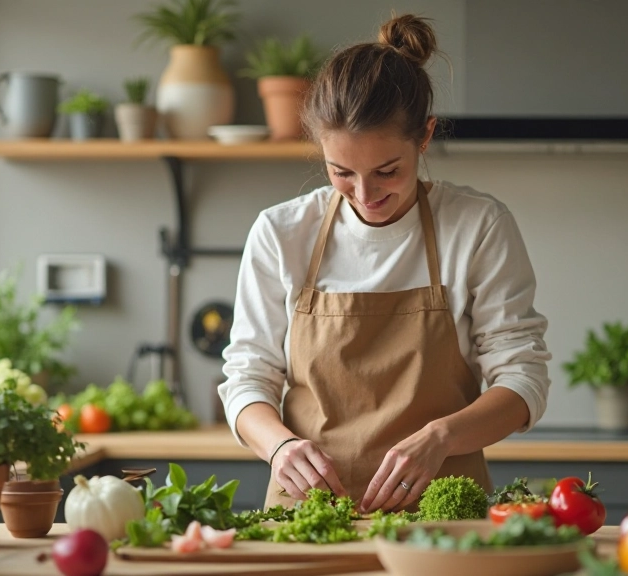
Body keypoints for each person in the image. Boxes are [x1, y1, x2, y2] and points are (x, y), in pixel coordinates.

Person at [218, 13, 551, 514]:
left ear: (424, 136)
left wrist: (442, 436)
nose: (366, 195)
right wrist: (279, 446)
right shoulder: (282, 233)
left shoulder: (478, 226)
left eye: (387, 171)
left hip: (444, 514)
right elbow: (247, 377)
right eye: (341, 172)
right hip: (307, 515)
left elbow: (523, 379)